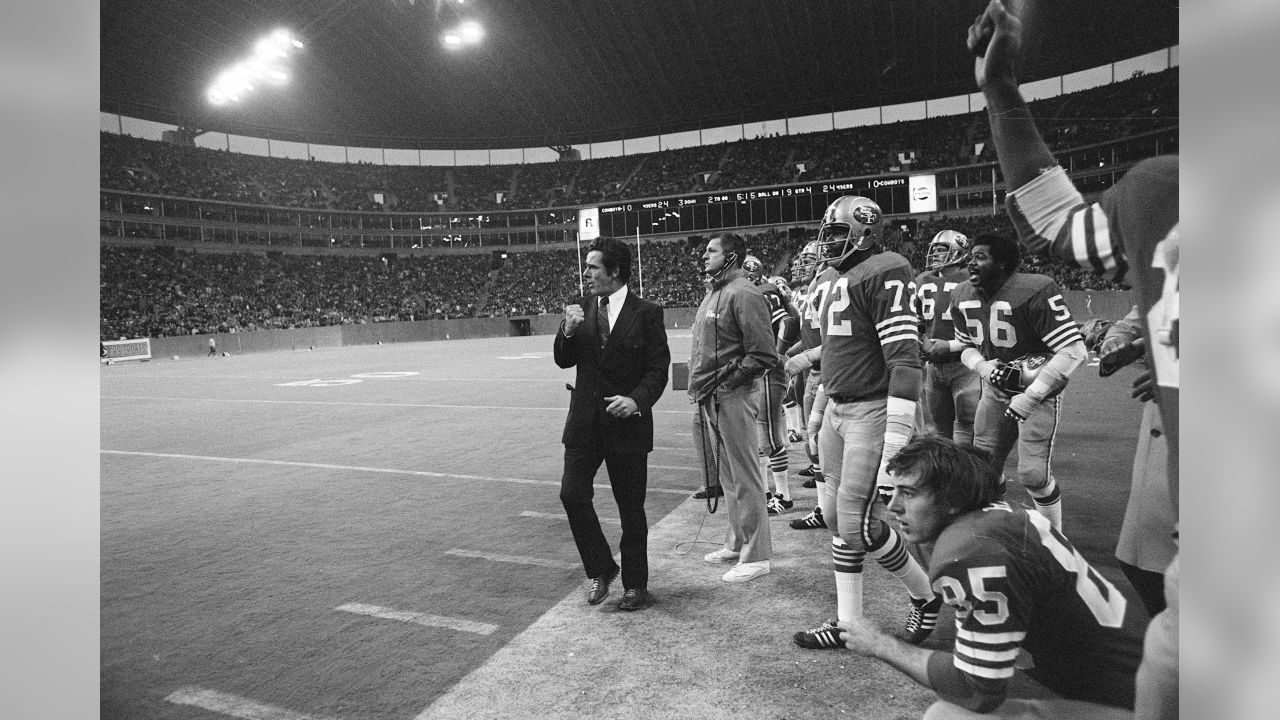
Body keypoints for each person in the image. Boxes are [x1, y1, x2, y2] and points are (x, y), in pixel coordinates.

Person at [968, 3, 1179, 717]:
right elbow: (1062, 221)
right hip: (1196, 547)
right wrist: (999, 88)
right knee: (1146, 581)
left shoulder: (1165, 189)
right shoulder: (1160, 189)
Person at [838, 436, 1146, 719]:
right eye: (893, 492)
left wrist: (880, 644)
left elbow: (975, 690)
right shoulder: (1002, 515)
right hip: (1154, 678)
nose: (892, 506)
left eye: (909, 493)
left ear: (952, 499)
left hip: (1153, 704)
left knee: (944, 717)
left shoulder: (971, 551)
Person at [783, 196, 940, 648]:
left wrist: (894, 447)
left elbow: (905, 363)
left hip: (874, 408)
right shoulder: (835, 277)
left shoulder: (887, 268)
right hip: (838, 407)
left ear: (866, 231)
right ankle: (880, 611)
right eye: (827, 232)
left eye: (837, 232)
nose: (828, 241)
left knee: (854, 522)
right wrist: (816, 413)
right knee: (835, 516)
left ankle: (901, 602)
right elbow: (835, 353)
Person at [554, 236, 671, 611]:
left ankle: (636, 585)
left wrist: (636, 400)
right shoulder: (582, 307)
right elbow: (562, 359)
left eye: (593, 266)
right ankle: (601, 568)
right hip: (585, 424)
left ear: (615, 271)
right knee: (571, 494)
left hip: (627, 426)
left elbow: (658, 369)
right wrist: (567, 331)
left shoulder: (647, 312)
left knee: (630, 509)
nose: (586, 272)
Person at [946, 232, 1086, 532]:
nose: (971, 263)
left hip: (1038, 390)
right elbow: (964, 347)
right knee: (983, 469)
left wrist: (1032, 395)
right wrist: (983, 367)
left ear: (1003, 264)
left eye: (980, 257)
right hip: (994, 390)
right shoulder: (962, 295)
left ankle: (1054, 541)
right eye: (971, 256)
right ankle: (995, 532)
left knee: (1034, 474)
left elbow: (1074, 350)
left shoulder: (1034, 289)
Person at [688, 232, 779, 583]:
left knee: (746, 474)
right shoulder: (714, 291)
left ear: (732, 256)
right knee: (728, 476)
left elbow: (763, 353)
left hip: (733, 395)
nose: (704, 256)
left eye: (712, 251)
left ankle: (757, 555)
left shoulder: (744, 292)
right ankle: (738, 540)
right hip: (713, 395)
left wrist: (728, 382)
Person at [1100, 307, 1176, 618]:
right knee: (1139, 562)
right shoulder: (1176, 269)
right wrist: (1116, 341)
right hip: (1166, 432)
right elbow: (1140, 315)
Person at [910, 230, 979, 445]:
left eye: (942, 250)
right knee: (938, 428)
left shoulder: (971, 279)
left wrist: (950, 346)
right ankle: (946, 474)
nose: (936, 254)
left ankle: (970, 473)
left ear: (959, 252)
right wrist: (922, 340)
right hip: (934, 365)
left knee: (968, 422)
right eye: (935, 250)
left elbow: (980, 326)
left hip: (965, 362)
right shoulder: (923, 279)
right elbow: (916, 318)